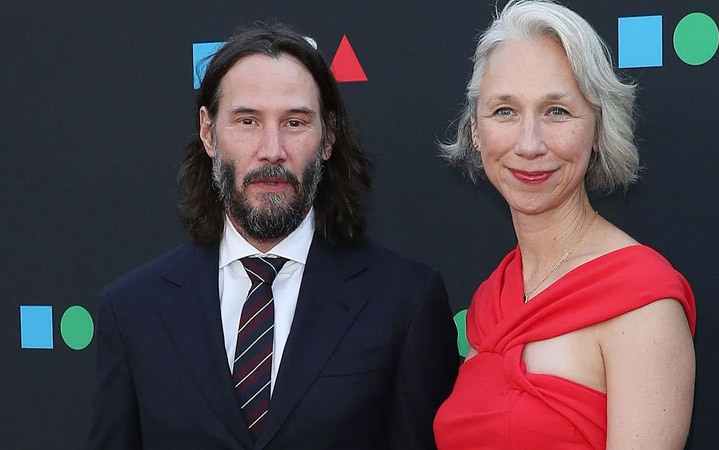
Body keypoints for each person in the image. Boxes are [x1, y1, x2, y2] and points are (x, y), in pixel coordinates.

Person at [88, 23, 459, 450]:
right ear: (209, 133)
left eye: (295, 122)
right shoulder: (134, 308)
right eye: (247, 121)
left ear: (327, 137)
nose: (272, 149)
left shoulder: (405, 302)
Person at [433, 1, 696, 449]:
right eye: (504, 111)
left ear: (597, 129)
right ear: (475, 131)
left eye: (557, 111)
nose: (529, 143)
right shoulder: (491, 299)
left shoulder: (641, 302)